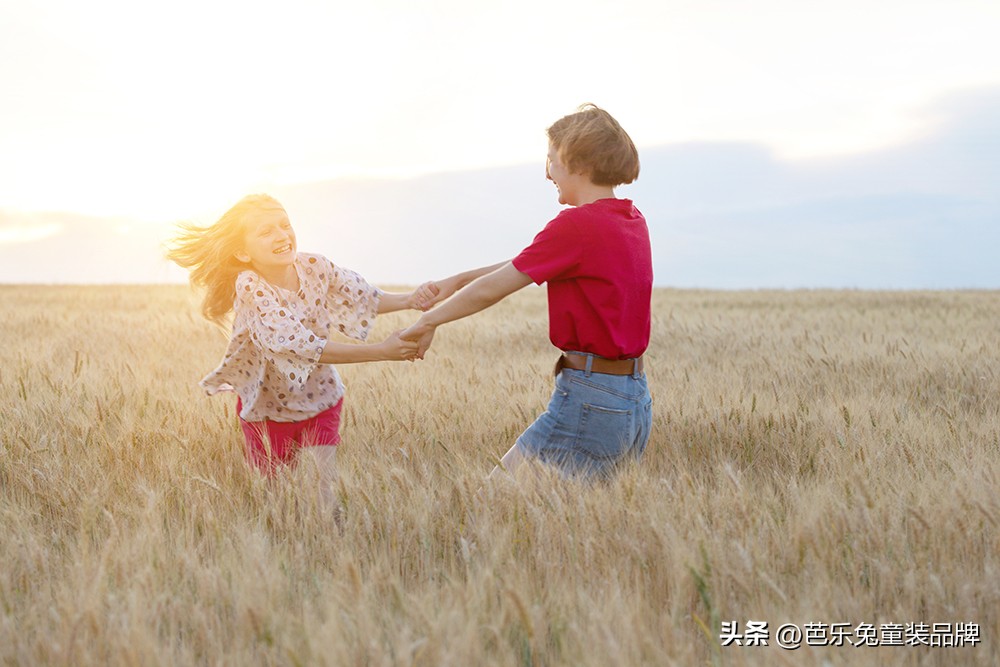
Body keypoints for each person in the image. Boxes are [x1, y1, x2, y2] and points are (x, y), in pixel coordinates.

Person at [403, 104, 653, 480]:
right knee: (570, 530)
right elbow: (528, 263)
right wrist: (456, 282)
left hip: (591, 401)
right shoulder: (628, 219)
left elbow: (494, 288)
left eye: (552, 160)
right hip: (632, 399)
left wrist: (428, 320)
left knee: (497, 507)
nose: (547, 171)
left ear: (579, 164)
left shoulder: (577, 225)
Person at [167, 194, 433, 507]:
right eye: (265, 232)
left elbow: (362, 297)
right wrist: (383, 351)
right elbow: (301, 347)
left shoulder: (314, 265)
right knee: (276, 501)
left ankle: (331, 543)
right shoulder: (250, 287)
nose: (281, 235)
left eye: (284, 224)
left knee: (324, 491)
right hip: (266, 410)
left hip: (320, 397)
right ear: (241, 251)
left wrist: (409, 300)